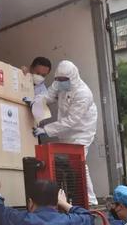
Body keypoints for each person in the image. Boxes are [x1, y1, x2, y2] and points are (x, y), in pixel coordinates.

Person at [32, 60, 98, 206]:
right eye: (58, 79)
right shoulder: (60, 82)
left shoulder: (83, 94)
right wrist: (36, 101)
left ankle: (91, 200)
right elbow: (49, 95)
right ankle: (72, 197)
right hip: (67, 129)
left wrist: (46, 129)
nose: (60, 82)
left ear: (72, 76)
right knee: (69, 163)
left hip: (82, 130)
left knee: (79, 162)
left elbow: (71, 120)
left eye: (63, 79)